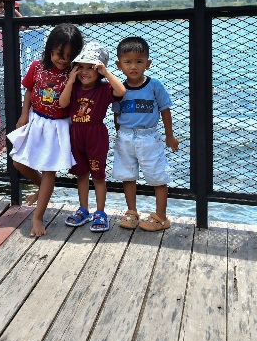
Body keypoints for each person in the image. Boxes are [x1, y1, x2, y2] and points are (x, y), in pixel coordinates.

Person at [7, 23, 84, 237]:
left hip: (58, 125)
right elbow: (30, 90)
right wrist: (24, 114)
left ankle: (38, 216)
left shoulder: (73, 73)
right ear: (51, 48)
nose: (63, 59)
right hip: (36, 120)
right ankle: (43, 187)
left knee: (49, 168)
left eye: (69, 55)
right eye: (60, 53)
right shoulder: (36, 67)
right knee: (18, 161)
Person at [112, 36, 179, 231]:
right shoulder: (119, 88)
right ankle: (132, 212)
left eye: (139, 62)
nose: (133, 66)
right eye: (128, 62)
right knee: (128, 175)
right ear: (119, 65)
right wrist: (118, 134)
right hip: (125, 137)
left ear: (147, 64)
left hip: (149, 137)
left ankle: (161, 217)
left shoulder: (155, 85)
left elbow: (165, 109)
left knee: (158, 176)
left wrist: (169, 135)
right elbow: (117, 114)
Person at [58, 43, 126, 232]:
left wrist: (106, 73)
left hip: (96, 134)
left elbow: (121, 91)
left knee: (98, 175)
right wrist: (70, 81)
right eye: (81, 67)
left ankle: (100, 212)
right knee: (81, 174)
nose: (85, 72)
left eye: (91, 68)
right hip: (76, 134)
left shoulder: (104, 89)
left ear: (99, 69)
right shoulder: (74, 87)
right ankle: (83, 209)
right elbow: (63, 103)